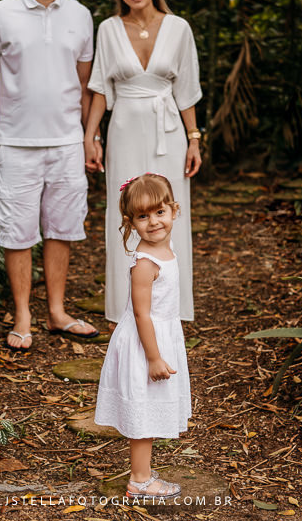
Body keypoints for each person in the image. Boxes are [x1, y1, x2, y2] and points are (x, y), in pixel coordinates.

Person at [0, 0, 99, 351]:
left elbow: (84, 87)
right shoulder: (0, 14)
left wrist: (88, 138)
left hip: (65, 143)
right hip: (15, 144)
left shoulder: (80, 15)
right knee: (18, 232)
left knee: (61, 229)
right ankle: (23, 315)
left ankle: (58, 313)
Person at [84, 0, 202, 326]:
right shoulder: (108, 29)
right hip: (125, 131)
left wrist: (195, 138)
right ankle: (127, 305)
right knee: (126, 210)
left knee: (170, 209)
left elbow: (186, 89)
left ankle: (170, 306)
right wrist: (91, 136)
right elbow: (101, 88)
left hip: (168, 130)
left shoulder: (179, 27)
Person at [94, 173, 191, 499]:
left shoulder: (167, 249)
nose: (154, 222)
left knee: (150, 410)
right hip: (145, 342)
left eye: (160, 212)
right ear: (130, 222)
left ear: (174, 210)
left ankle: (143, 472)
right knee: (146, 415)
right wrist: (153, 357)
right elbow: (141, 314)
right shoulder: (145, 264)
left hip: (160, 335)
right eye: (143, 216)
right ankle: (139, 480)